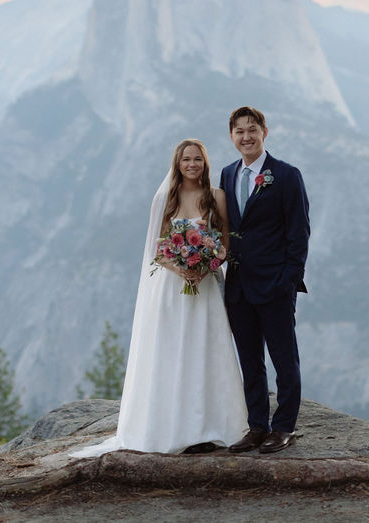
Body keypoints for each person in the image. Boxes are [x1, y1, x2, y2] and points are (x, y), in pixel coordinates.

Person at [70, 139, 247, 457]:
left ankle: (207, 426)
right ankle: (171, 426)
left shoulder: (216, 196)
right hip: (172, 288)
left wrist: (208, 264)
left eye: (197, 159)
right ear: (177, 164)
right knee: (172, 350)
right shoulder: (166, 198)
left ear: (205, 163)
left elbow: (223, 241)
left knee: (204, 349)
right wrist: (183, 269)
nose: (192, 165)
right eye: (186, 160)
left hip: (205, 287)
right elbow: (158, 250)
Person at [220, 106, 309, 454]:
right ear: (232, 137)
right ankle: (257, 425)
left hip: (275, 284)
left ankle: (284, 426)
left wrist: (289, 279)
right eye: (239, 131)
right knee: (250, 360)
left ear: (264, 132)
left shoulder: (286, 175)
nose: (246, 136)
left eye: (252, 130)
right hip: (238, 285)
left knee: (284, 359)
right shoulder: (228, 175)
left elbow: (299, 232)